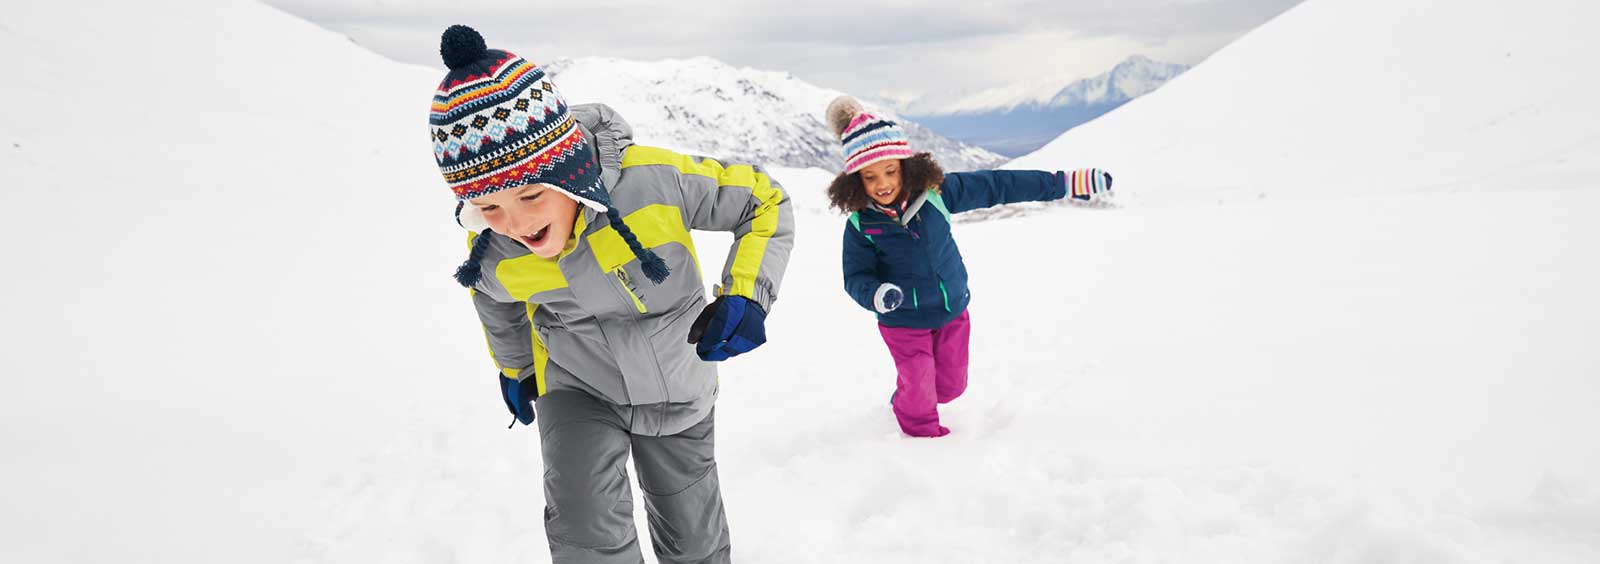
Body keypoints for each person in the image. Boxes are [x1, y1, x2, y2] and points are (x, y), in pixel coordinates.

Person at [428, 25, 793, 563]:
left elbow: (763, 202)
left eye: (530, 193)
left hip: (677, 380)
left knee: (691, 533)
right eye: (489, 207)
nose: (516, 222)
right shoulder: (497, 247)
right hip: (577, 385)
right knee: (583, 520)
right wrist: (516, 367)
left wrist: (747, 296)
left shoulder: (652, 183)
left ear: (571, 172)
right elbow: (495, 300)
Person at [825, 95, 1111, 437]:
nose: (882, 184)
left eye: (890, 171)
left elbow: (998, 186)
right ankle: (923, 444)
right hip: (902, 319)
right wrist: (877, 294)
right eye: (870, 177)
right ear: (856, 181)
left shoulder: (936, 194)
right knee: (919, 388)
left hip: (950, 309)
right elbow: (856, 276)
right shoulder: (861, 224)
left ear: (906, 165)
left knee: (950, 387)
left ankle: (908, 395)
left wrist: (1064, 183)